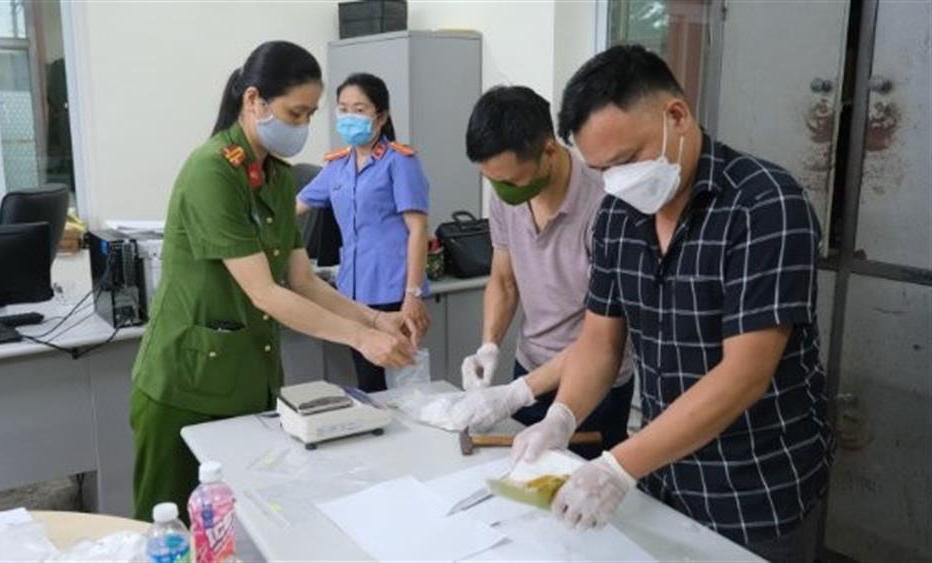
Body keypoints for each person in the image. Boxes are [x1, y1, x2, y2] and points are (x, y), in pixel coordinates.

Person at [509, 45, 834, 563]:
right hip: (663, 476)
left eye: (626, 161)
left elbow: (744, 376)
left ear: (676, 116)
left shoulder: (765, 204)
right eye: (602, 170)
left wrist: (617, 466)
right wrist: (563, 415)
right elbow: (600, 340)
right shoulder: (618, 214)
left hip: (756, 489)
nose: (617, 181)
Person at [131, 42, 416, 523]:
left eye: (309, 114)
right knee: (170, 531)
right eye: (295, 112)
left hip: (249, 382)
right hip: (187, 386)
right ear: (255, 101)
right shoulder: (212, 172)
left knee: (238, 530)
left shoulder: (276, 178)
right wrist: (361, 338)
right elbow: (265, 291)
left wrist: (374, 317)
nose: (303, 126)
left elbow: (302, 279)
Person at [444, 86, 634, 460]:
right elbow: (503, 279)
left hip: (594, 384)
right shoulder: (505, 194)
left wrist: (516, 393)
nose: (502, 191)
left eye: (512, 181)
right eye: (493, 181)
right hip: (529, 366)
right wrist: (489, 346)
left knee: (582, 500)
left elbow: (604, 337)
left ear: (549, 150)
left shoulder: (606, 206)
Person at [297, 73, 431, 392]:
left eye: (359, 109)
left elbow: (418, 228)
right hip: (351, 295)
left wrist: (412, 295)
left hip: (392, 290)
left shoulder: (400, 161)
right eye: (343, 109)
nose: (349, 117)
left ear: (380, 116)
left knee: (397, 383)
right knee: (367, 382)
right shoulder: (337, 166)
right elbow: (294, 206)